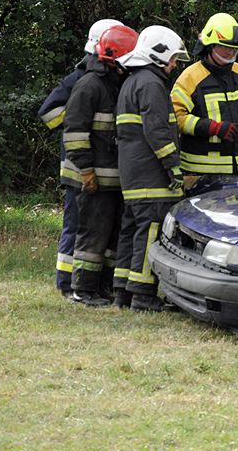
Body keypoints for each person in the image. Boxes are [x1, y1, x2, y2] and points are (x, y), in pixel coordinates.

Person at [38, 18, 123, 298]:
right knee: (76, 227)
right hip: (78, 165)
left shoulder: (108, 78)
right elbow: (49, 114)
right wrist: (79, 110)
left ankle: (91, 283)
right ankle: (66, 283)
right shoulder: (80, 79)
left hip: (95, 163)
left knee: (94, 227)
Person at [114, 25, 189, 311]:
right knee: (149, 233)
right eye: (172, 59)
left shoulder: (133, 82)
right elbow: (158, 132)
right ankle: (143, 296)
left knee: (131, 231)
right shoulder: (152, 84)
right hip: (150, 176)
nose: (173, 65)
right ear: (158, 54)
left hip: (132, 176)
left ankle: (123, 291)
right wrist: (174, 168)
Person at [63, 24, 139, 306]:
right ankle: (83, 290)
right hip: (92, 178)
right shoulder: (90, 85)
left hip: (113, 180)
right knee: (91, 238)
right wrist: (86, 171)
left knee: (110, 238)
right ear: (116, 58)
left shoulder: (116, 83)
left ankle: (102, 288)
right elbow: (74, 133)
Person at [171, 13, 238, 192]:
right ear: (211, 45)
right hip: (202, 177)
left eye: (234, 48)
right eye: (226, 48)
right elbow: (176, 118)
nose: (231, 52)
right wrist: (211, 127)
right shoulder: (189, 78)